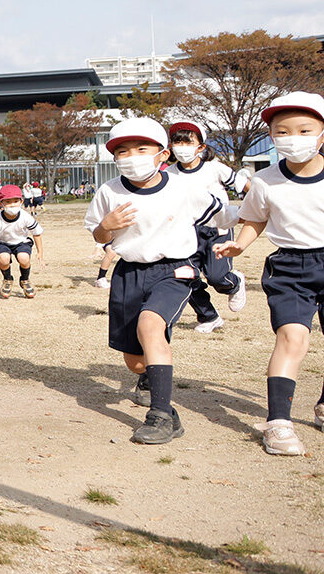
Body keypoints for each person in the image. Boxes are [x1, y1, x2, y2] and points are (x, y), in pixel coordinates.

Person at [86, 117, 230, 445]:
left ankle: (162, 414)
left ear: (162, 155)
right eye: (122, 151)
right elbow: (98, 233)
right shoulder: (109, 191)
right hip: (128, 273)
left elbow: (221, 214)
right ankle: (152, 380)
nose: (131, 156)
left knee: (150, 326)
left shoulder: (184, 188)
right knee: (136, 362)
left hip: (174, 269)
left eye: (141, 149)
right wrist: (106, 225)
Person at [214, 91, 324, 457]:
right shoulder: (265, 181)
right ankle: (278, 424)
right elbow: (255, 218)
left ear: (322, 133)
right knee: (293, 338)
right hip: (291, 267)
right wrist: (240, 245)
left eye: (305, 129)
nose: (294, 138)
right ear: (273, 137)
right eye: (283, 131)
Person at [166, 118, 250, 334]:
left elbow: (248, 188)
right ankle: (209, 316)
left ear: (201, 147)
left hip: (217, 229)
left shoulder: (215, 169)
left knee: (216, 277)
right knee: (184, 276)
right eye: (177, 142)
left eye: (188, 142)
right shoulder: (168, 175)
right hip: (186, 232)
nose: (182, 148)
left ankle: (235, 282)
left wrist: (254, 211)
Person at [0, 184, 44, 298]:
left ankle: (25, 280)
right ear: (1, 203)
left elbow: (36, 232)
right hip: (4, 243)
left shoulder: (25, 216)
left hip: (21, 242)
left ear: (21, 201)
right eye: (8, 202)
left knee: (24, 258)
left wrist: (40, 252)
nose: (12, 205)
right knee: (4, 259)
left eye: (15, 201)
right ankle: (7, 279)